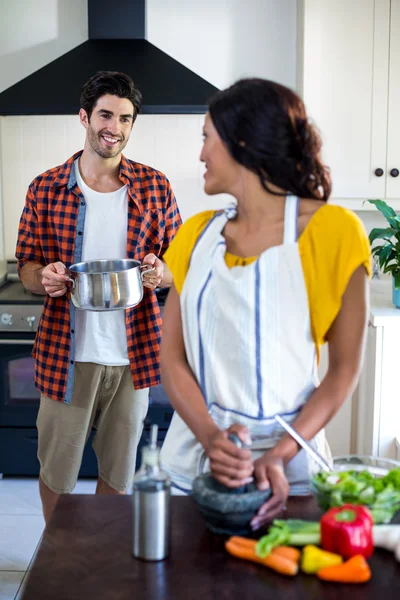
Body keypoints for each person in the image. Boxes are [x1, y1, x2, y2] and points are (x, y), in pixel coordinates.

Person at [159, 78, 371, 529]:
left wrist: (279, 453)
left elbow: (343, 371)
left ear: (241, 141)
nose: (200, 155)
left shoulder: (335, 232)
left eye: (206, 139)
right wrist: (212, 439)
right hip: (193, 466)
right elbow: (171, 359)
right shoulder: (194, 235)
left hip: (289, 475)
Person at [16, 71, 182, 523]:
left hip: (134, 357)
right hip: (66, 354)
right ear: (85, 117)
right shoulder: (45, 187)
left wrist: (159, 272)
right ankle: (59, 560)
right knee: (58, 474)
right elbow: (26, 266)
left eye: (125, 118)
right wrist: (43, 276)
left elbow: (177, 266)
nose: (115, 127)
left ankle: (103, 566)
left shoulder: (154, 187)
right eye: (106, 114)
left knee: (119, 471)